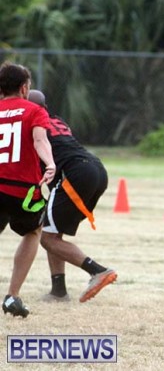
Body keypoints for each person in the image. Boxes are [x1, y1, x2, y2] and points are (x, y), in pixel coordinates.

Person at [28, 90, 117, 303]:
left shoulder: (33, 125)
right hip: (95, 168)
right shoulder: (57, 120)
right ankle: (58, 290)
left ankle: (98, 271)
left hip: (76, 173)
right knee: (52, 231)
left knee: (48, 239)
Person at [0, 62, 56, 318]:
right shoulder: (34, 110)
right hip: (21, 190)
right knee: (33, 231)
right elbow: (39, 140)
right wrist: (50, 163)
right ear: (24, 88)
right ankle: (13, 295)